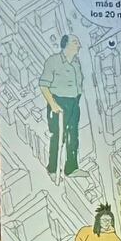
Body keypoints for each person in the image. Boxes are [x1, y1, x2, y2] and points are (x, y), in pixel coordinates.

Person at [41, 32, 84, 177]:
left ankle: (71, 169)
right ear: (66, 45)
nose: (79, 45)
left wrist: (76, 101)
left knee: (73, 135)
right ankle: (53, 169)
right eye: (76, 42)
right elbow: (43, 85)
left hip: (74, 102)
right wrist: (53, 104)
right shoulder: (53, 61)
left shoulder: (76, 63)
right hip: (58, 102)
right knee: (58, 136)